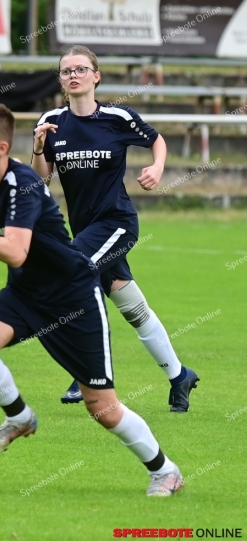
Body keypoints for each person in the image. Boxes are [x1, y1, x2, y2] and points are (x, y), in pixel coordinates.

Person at [0, 102, 184, 496]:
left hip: (72, 297)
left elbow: (15, 252)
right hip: (27, 293)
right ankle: (20, 417)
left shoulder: (22, 185)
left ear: (2, 147)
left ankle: (165, 470)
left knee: (103, 408)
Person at [31, 45, 199, 411]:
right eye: (65, 71)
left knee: (74, 271)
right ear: (60, 79)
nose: (72, 75)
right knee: (132, 307)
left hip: (117, 223)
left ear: (96, 75)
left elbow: (156, 140)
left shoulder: (117, 117)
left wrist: (157, 168)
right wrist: (39, 147)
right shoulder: (51, 120)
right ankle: (179, 376)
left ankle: (85, 371)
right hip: (87, 231)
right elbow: (43, 179)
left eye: (80, 69)